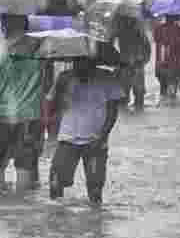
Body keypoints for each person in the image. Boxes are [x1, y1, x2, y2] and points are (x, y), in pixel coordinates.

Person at [0, 14, 45, 194]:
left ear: (4, 25)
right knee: (25, 165)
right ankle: (19, 205)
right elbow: (46, 84)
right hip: (30, 116)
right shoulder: (40, 50)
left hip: (1, 116)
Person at [46, 57, 125, 204]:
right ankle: (56, 221)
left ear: (93, 61)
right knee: (55, 184)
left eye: (85, 62)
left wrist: (102, 137)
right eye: (77, 62)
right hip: (67, 139)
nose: (80, 66)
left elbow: (113, 112)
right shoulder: (64, 78)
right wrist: (50, 131)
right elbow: (51, 103)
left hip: (96, 141)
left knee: (95, 191)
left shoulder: (107, 78)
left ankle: (94, 222)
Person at [112, 8, 151, 111]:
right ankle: (136, 106)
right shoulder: (122, 28)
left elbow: (146, 45)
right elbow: (147, 46)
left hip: (133, 61)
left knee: (132, 92)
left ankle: (134, 105)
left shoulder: (121, 27)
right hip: (132, 61)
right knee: (132, 92)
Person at [152, 14, 180, 100]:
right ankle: (170, 100)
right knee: (171, 87)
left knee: (164, 88)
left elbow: (156, 39)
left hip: (164, 61)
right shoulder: (179, 28)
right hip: (171, 62)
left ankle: (166, 100)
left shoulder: (159, 28)